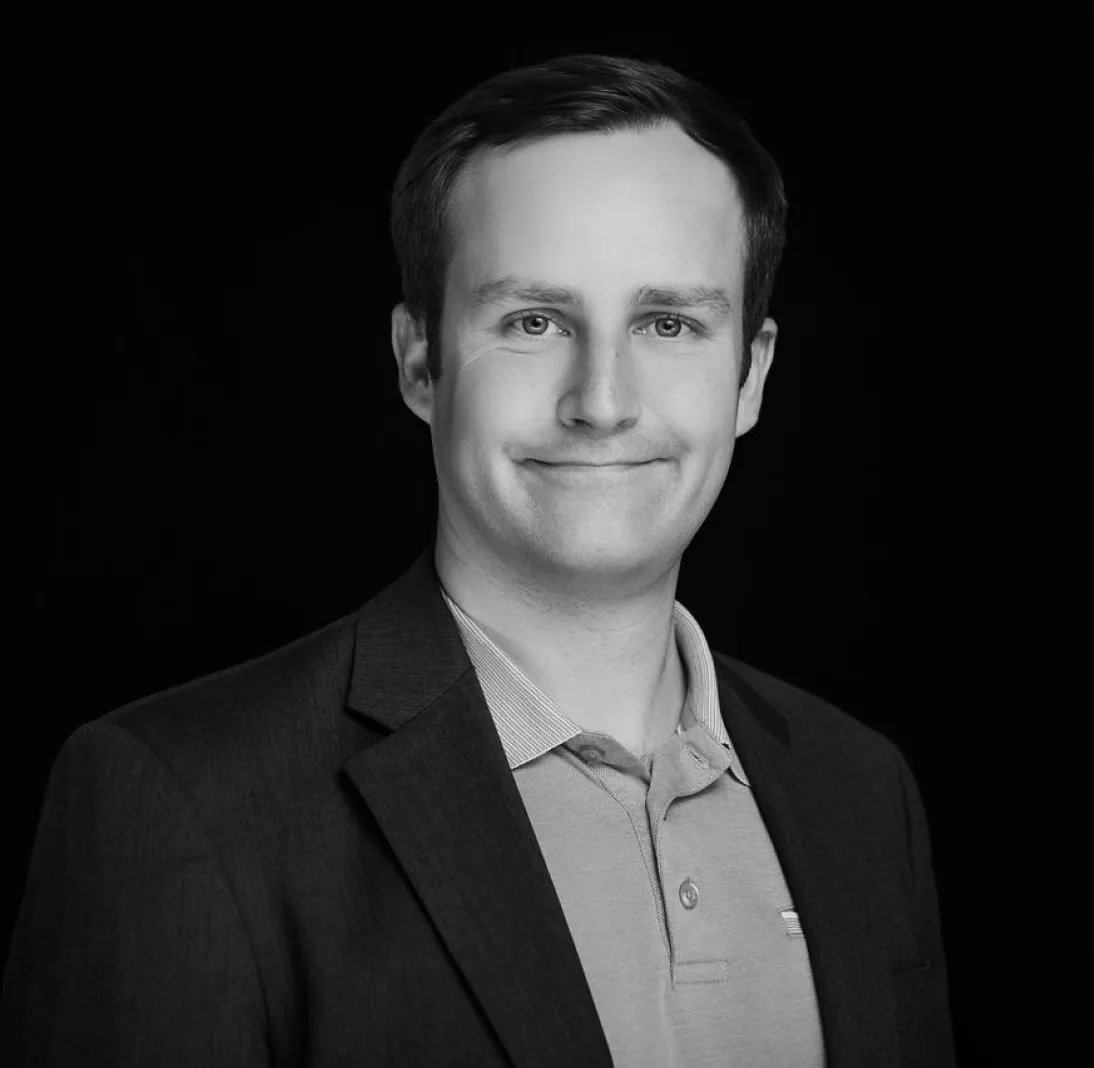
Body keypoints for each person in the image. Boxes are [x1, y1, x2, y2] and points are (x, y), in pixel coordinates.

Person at [1, 53, 956, 1067]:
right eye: (532, 321)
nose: (600, 399)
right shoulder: (176, 799)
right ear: (420, 361)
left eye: (666, 322)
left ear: (749, 375)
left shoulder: (862, 791)